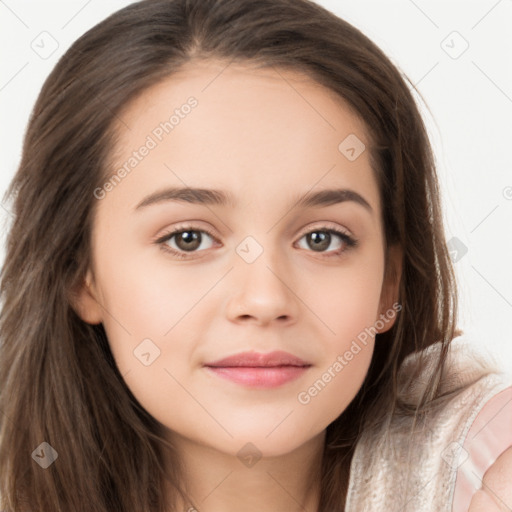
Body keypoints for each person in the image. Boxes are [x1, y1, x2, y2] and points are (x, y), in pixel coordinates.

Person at [0, 0, 510, 511]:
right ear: (79, 273)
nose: (264, 300)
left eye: (321, 239)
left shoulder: (486, 472)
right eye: (188, 239)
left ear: (388, 281)